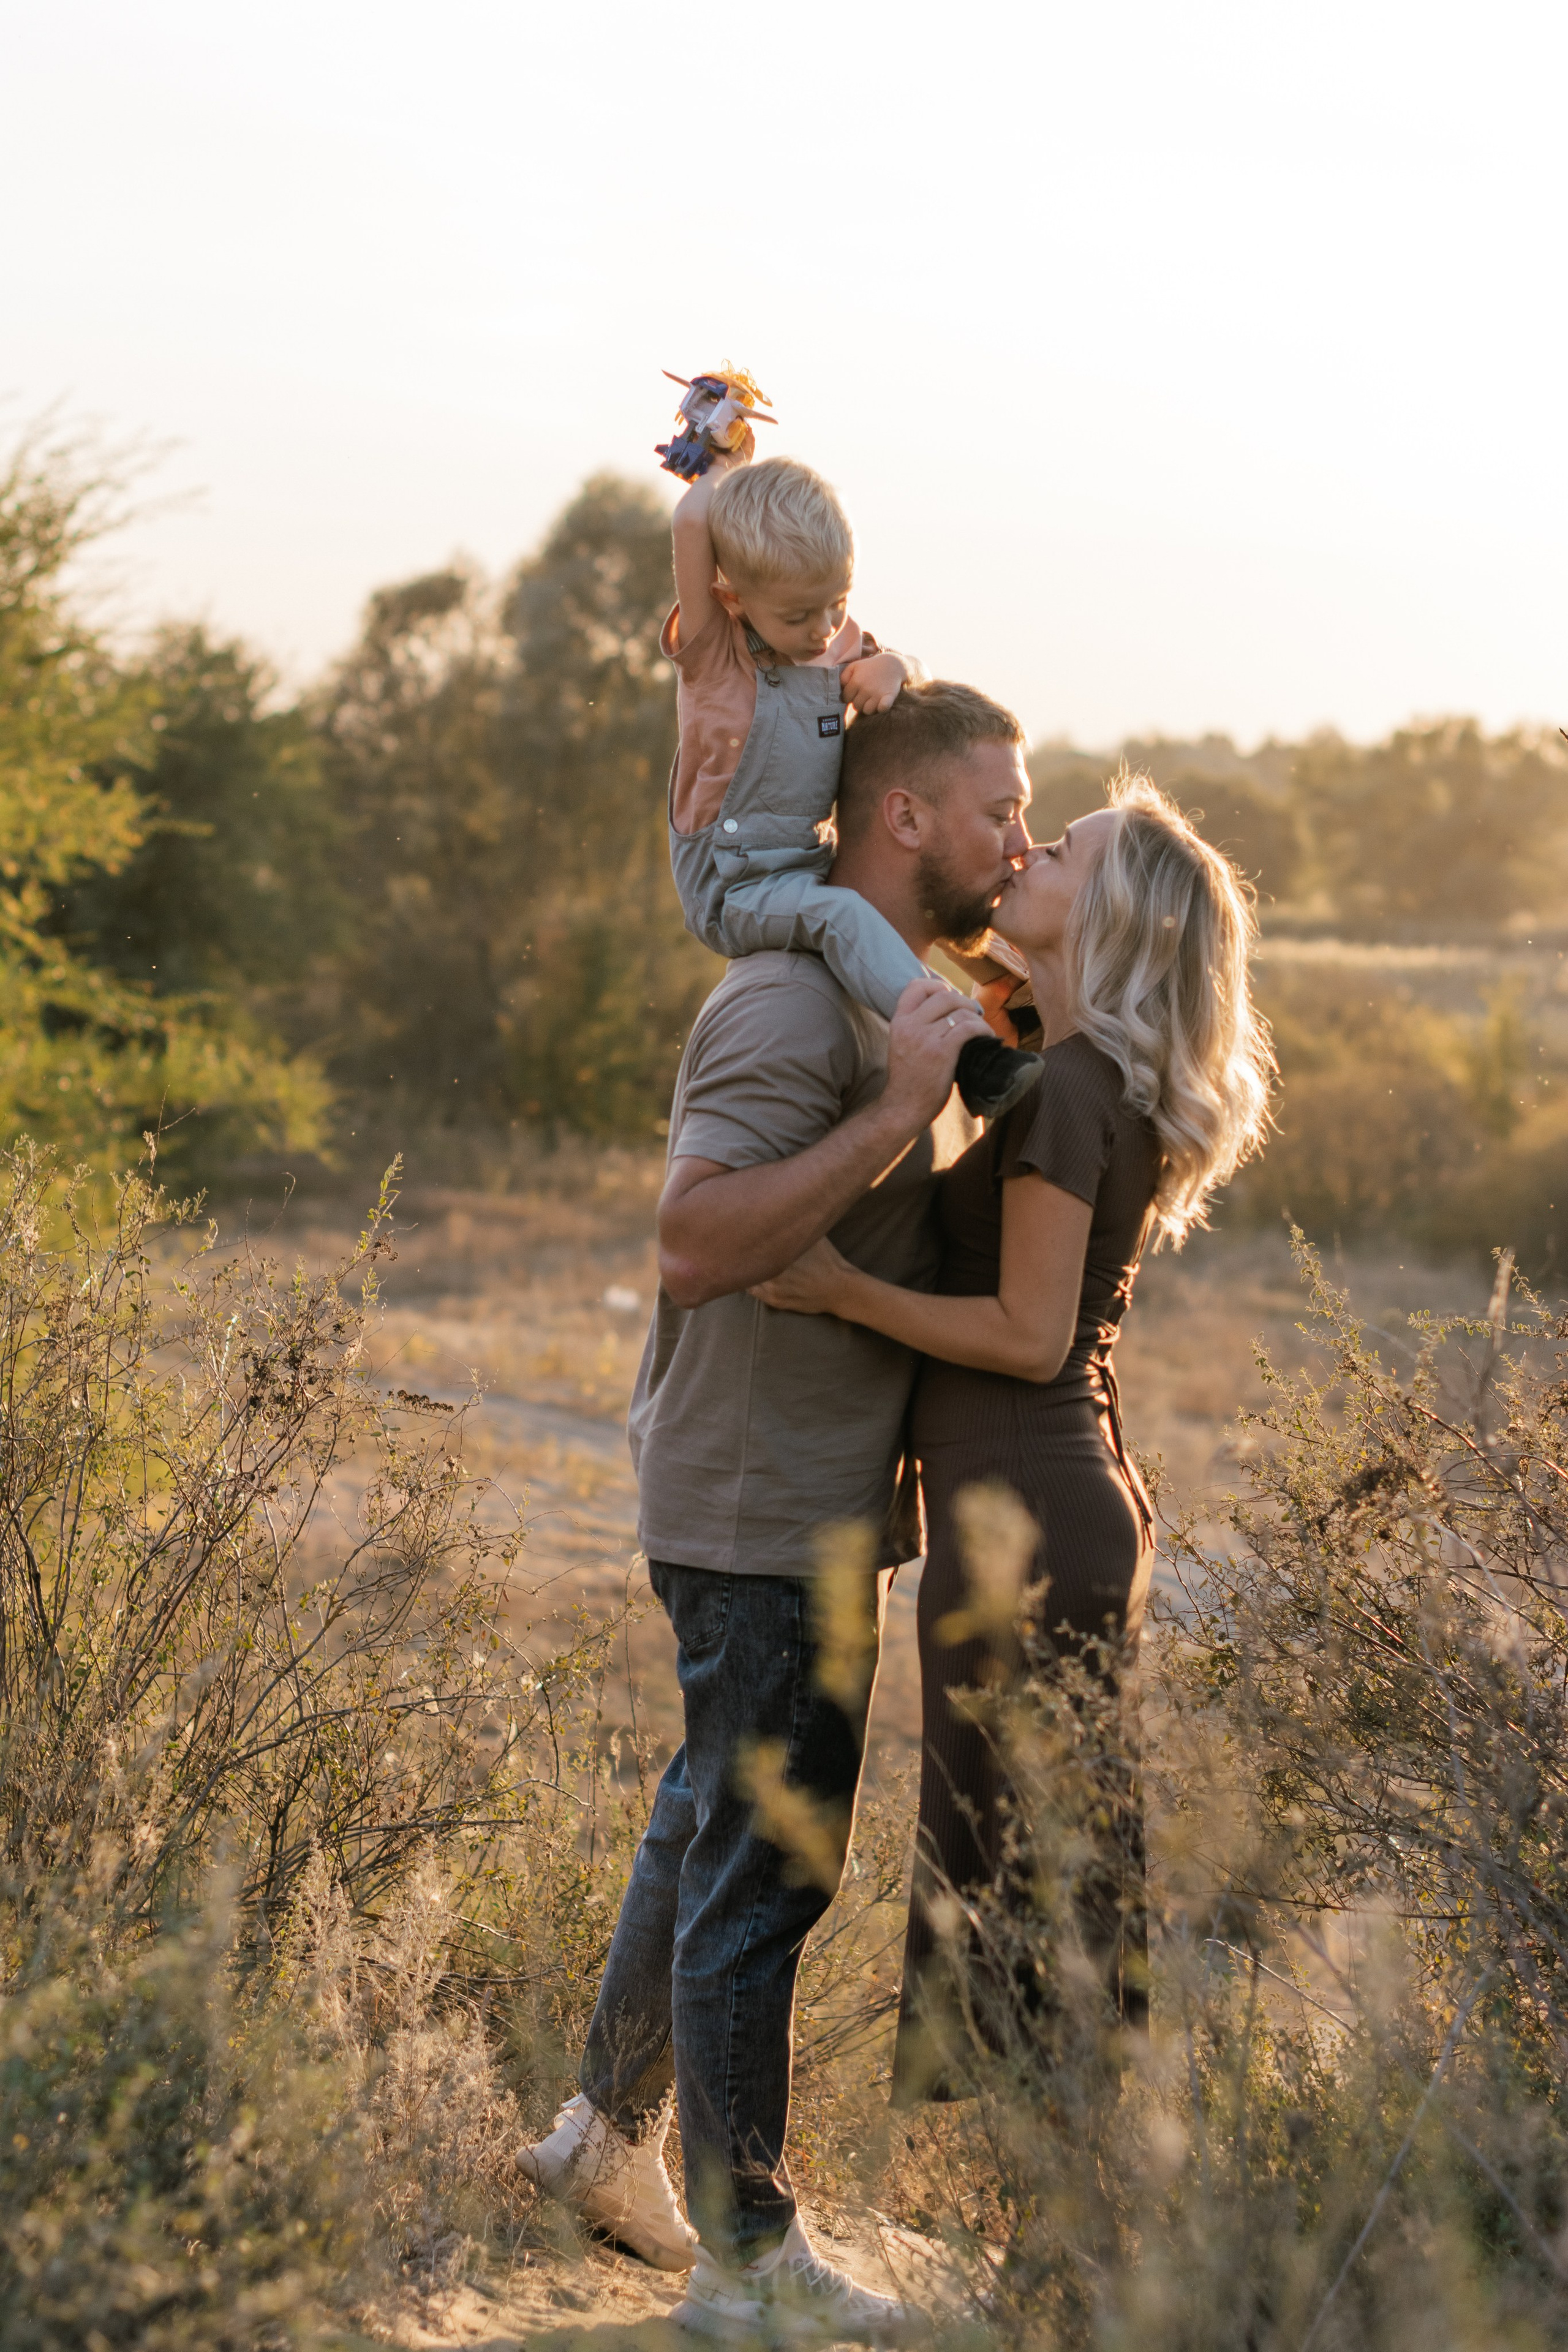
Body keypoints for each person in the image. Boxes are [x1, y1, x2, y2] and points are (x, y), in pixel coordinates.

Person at [518, 681, 1033, 2343]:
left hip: (790, 1495)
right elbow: (691, 1239)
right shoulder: (793, 1014)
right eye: (997, 812)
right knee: (771, 1871)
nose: (1017, 840)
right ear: (903, 821)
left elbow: (939, 796)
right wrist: (896, 1115)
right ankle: (750, 2264)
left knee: (705, 1819)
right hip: (757, 1509)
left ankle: (603, 2139)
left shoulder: (885, 985)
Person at [753, 774, 1274, 2098]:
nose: (1027, 848)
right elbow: (945, 923)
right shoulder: (1072, 1067)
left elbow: (1027, 1336)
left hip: (1026, 1514)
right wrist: (882, 698)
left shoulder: (1064, 1093)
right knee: (1050, 1867)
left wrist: (842, 1289)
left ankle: (1065, 2223)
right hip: (1057, 1501)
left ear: (1110, 924)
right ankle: (1082, 2221)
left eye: (1062, 851)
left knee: (1020, 1877)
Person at [663, 442, 1040, 1120]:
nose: (822, 630)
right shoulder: (712, 654)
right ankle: (971, 1060)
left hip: (805, 861)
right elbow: (692, 523)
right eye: (798, 615)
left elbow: (903, 667)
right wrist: (719, 459)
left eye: (836, 604)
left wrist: (894, 665)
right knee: (844, 915)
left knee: (923, 889)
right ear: (733, 598)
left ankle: (1025, 993)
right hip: (734, 884)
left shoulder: (834, 641)